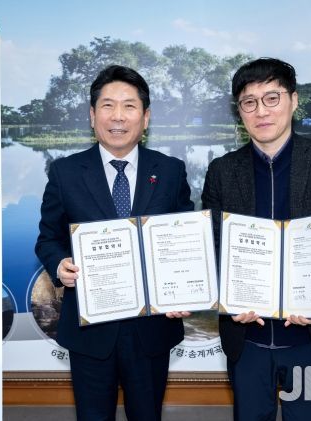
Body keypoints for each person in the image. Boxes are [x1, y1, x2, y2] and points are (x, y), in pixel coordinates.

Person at [201, 58, 311, 421]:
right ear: (239, 111)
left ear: (293, 100)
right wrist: (229, 294)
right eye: (249, 102)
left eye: (272, 98)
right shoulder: (222, 171)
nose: (261, 111)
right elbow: (211, 246)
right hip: (247, 337)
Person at [35, 64, 194, 421]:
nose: (118, 116)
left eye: (129, 106)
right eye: (107, 105)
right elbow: (48, 238)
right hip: (90, 329)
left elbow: (183, 240)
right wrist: (60, 264)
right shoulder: (65, 172)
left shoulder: (170, 171)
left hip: (152, 328)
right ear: (93, 116)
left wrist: (182, 287)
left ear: (145, 117)